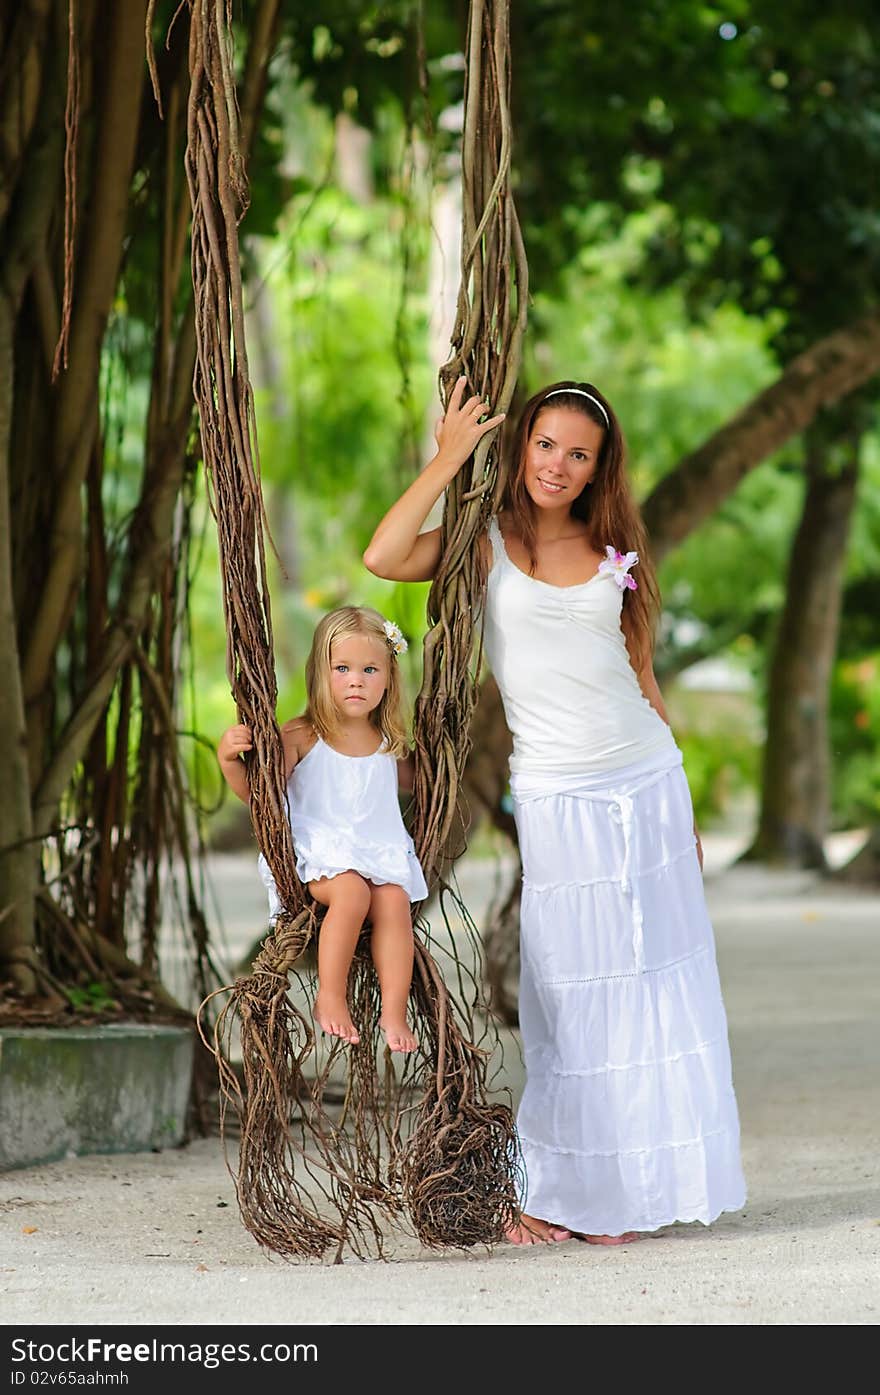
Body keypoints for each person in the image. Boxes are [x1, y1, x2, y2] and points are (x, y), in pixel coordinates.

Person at [363, 376, 747, 1242]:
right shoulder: (482, 541)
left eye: (579, 453)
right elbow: (383, 557)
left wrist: (679, 798)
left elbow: (641, 676)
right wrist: (447, 456)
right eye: (546, 445)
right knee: (569, 990)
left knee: (652, 986)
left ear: (599, 466)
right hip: (554, 790)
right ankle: (555, 1193)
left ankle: (627, 1196)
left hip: (644, 779)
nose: (558, 465)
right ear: (523, 445)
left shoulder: (617, 551)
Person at [217, 604, 428, 1053]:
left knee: (393, 901)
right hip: (319, 852)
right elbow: (261, 800)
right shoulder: (301, 735)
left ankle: (393, 1012)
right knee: (352, 893)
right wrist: (227, 760)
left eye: (370, 669)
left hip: (376, 848)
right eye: (343, 668)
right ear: (320, 673)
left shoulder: (390, 740)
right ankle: (330, 997)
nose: (357, 680)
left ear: (389, 677)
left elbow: (417, 783)